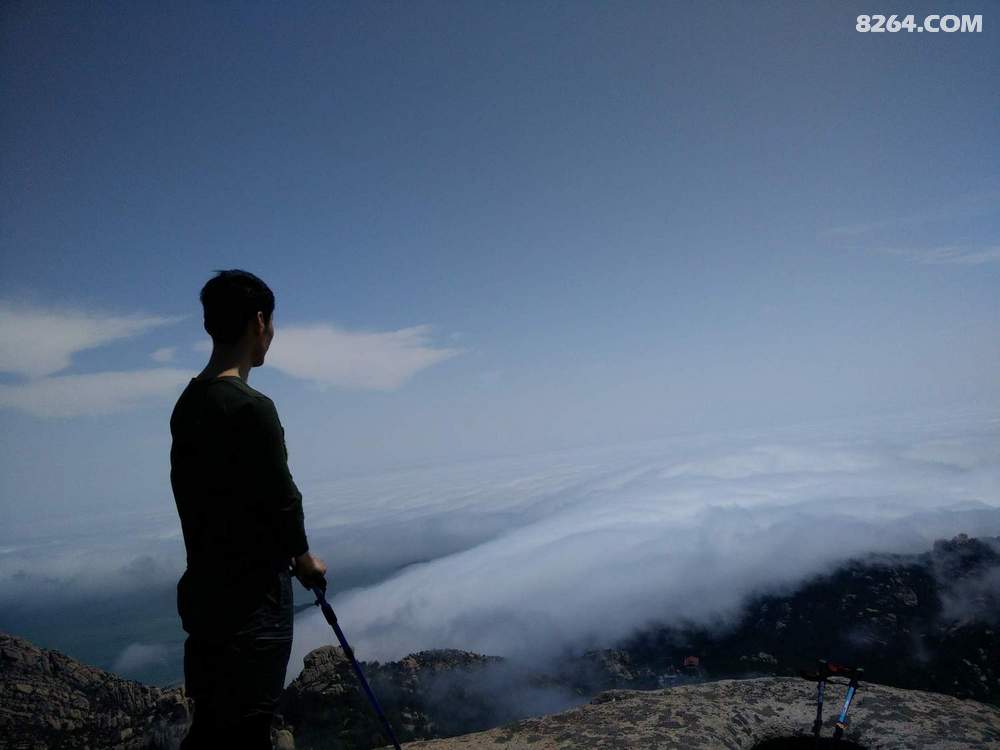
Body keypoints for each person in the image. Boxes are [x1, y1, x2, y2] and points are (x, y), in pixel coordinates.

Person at [170, 269, 327, 748]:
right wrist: (304, 560)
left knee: (215, 727)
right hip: (253, 605)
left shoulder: (188, 403)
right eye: (271, 324)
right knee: (250, 728)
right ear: (260, 322)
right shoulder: (251, 407)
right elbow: (281, 497)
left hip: (203, 599)